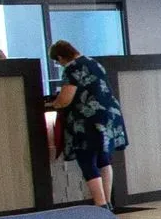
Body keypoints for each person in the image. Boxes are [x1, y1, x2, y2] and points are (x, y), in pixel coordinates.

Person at [45, 40, 128, 208]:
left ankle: (100, 204)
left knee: (87, 159)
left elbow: (65, 99)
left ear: (61, 57)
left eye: (57, 61)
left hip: (88, 120)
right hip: (109, 117)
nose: (59, 64)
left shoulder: (72, 68)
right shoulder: (93, 62)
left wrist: (54, 104)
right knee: (104, 159)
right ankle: (108, 203)